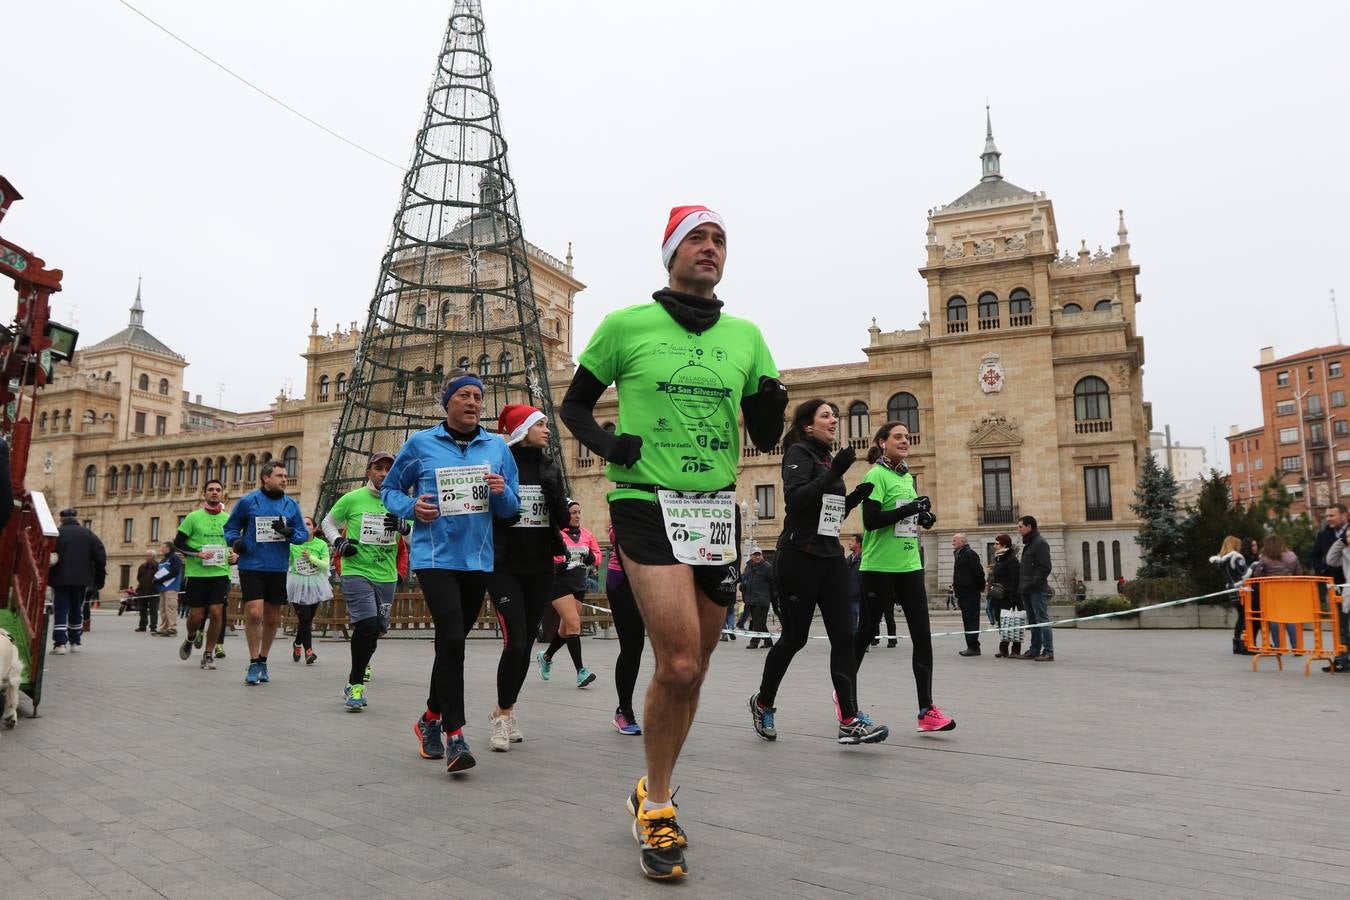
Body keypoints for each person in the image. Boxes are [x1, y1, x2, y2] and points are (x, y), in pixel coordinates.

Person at [559, 204, 785, 880]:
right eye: (697, 238)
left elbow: (767, 438)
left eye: (720, 239)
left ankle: (650, 784)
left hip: (713, 511)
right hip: (643, 504)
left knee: (696, 668)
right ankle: (657, 806)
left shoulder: (747, 336)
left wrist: (771, 402)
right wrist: (606, 443)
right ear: (670, 252)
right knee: (679, 663)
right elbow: (573, 406)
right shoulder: (625, 326)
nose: (710, 248)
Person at [382, 372, 519, 775]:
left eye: (478, 396)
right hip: (434, 557)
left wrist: (501, 492)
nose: (473, 402)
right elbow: (391, 490)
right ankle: (455, 736)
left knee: (449, 643)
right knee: (455, 637)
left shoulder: (497, 447)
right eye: (464, 395)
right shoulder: (421, 444)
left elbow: (511, 510)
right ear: (448, 402)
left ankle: (429, 718)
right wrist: (412, 509)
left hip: (477, 559)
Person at [748, 399, 886, 745]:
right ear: (808, 425)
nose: (834, 420)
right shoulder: (799, 453)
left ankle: (850, 718)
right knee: (795, 638)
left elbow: (828, 513)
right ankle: (763, 702)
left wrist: (853, 498)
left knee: (845, 637)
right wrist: (835, 472)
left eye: (835, 415)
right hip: (798, 556)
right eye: (826, 415)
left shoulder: (825, 458)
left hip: (830, 557)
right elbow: (796, 502)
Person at [855, 421, 953, 734]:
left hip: (910, 565)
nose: (904, 440)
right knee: (865, 634)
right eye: (897, 436)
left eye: (907, 437)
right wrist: (908, 508)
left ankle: (926, 710)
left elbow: (903, 516)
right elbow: (870, 521)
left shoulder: (907, 476)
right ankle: (845, 698)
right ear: (882, 442)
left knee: (922, 637)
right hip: (879, 567)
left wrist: (922, 515)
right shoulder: (875, 475)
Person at [483, 405, 569, 750]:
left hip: (540, 566)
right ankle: (502, 719)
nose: (547, 429)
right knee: (516, 641)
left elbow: (562, 519)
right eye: (541, 424)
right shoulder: (501, 464)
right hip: (503, 566)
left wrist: (554, 497)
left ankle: (506, 708)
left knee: (527, 643)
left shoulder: (550, 468)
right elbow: (489, 514)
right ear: (523, 429)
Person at [323, 452, 406, 711]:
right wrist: (339, 542)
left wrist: (404, 526)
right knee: (367, 624)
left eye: (388, 469)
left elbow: (416, 536)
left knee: (376, 629)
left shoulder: (402, 500)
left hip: (386, 574)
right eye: (378, 468)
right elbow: (328, 522)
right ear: (369, 471)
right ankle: (355, 684)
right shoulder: (353, 499)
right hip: (356, 570)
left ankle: (358, 673)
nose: (383, 473)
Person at [224, 460, 309, 685]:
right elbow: (230, 528)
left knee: (272, 618)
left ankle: (263, 660)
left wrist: (290, 532)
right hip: (251, 565)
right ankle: (253, 662)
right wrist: (236, 542)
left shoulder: (291, 504)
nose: (284, 479)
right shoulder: (248, 501)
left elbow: (302, 535)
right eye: (279, 476)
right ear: (266, 478)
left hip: (278, 566)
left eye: (285, 475)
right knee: (253, 613)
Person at [174, 480, 238, 668]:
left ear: (222, 494)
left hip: (220, 573)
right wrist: (197, 553)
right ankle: (190, 638)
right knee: (196, 616)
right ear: (204, 494)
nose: (214, 493)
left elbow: (238, 543)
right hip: (197, 574)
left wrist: (236, 556)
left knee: (217, 613)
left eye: (218, 490)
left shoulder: (228, 519)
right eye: (211, 490)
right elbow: (178, 543)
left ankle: (208, 654)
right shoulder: (193, 517)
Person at [536, 501, 601, 687]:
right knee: (574, 625)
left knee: (565, 630)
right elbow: (541, 557)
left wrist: (592, 558)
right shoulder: (555, 534)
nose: (578, 516)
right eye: (573, 512)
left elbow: (598, 556)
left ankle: (546, 657)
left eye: (579, 512)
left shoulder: (587, 534)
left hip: (578, 585)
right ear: (565, 514)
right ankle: (581, 671)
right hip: (558, 584)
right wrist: (555, 566)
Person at [48, 509, 106, 654]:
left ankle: (60, 644)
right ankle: (75, 642)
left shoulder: (56, 534)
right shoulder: (88, 534)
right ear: (76, 518)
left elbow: (46, 555)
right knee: (76, 609)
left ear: (61, 520)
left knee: (61, 609)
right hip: (82, 579)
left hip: (60, 579)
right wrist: (99, 580)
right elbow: (100, 557)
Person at [607, 525, 646, 735]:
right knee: (632, 646)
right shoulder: (628, 494)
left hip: (663, 576)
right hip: (624, 578)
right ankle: (624, 710)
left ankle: (667, 710)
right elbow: (614, 534)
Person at [287, 516, 332, 671]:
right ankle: (309, 651)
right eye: (302, 524)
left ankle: (297, 643)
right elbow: (286, 562)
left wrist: (310, 557)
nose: (305, 526)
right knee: (304, 618)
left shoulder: (321, 544)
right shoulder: (292, 544)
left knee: (307, 620)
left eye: (308, 524)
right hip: (297, 584)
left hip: (315, 584)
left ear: (314, 528)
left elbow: (326, 565)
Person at [1248, 534, 1301, 649]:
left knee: (1274, 619)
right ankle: (1297, 647)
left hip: (1271, 592)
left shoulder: (1265, 558)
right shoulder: (1292, 556)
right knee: (1290, 618)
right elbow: (1298, 573)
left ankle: (1279, 647)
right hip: (1289, 591)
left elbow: (1257, 574)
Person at [1017, 515, 1054, 661]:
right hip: (1026, 589)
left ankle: (1048, 651)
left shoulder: (1040, 543)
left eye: (1020, 527)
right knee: (1032, 621)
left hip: (1037, 590)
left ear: (1029, 527)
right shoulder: (1029, 544)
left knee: (1042, 620)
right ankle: (1034, 649)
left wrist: (1033, 583)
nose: (1019, 530)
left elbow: (1046, 567)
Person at [1210, 535, 1252, 654]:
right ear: (1234, 545)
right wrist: (1253, 567)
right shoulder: (1237, 557)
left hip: (1232, 591)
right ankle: (1245, 644)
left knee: (1241, 616)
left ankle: (1237, 644)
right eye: (1239, 545)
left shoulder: (1223, 560)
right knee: (1245, 617)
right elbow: (1245, 574)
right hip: (1242, 590)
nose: (1240, 547)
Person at [951, 533, 986, 657]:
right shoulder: (960, 554)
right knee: (967, 620)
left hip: (970, 593)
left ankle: (973, 647)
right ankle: (971, 646)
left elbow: (979, 572)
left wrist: (979, 587)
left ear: (963, 541)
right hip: (963, 593)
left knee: (971, 620)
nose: (953, 542)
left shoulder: (969, 554)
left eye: (955, 540)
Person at [989, 534, 1023, 657]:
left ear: (1004, 545)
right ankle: (1003, 649)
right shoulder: (999, 558)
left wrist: (1014, 597)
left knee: (1013, 621)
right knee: (1002, 621)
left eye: (997, 543)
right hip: (1000, 596)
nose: (994, 546)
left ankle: (1015, 650)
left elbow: (1015, 579)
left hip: (1010, 596)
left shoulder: (1011, 559)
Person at [740, 549, 776, 649]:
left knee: (757, 623)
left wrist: (772, 596)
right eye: (755, 555)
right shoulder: (749, 566)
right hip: (750, 598)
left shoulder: (767, 567)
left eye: (759, 555)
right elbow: (744, 577)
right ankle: (768, 641)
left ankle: (754, 642)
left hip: (762, 599)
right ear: (751, 556)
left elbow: (773, 582)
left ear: (762, 555)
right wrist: (743, 585)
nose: (757, 557)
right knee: (760, 623)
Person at [154, 542, 183, 636]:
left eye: (162, 547)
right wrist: (155, 580)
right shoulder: (163, 560)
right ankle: (164, 627)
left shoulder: (175, 558)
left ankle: (172, 628)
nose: (161, 549)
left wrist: (160, 579)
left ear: (168, 548)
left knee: (171, 607)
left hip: (171, 587)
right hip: (162, 588)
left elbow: (175, 572)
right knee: (162, 608)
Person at [134, 551, 159, 634]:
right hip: (142, 591)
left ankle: (153, 627)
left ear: (153, 557)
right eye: (146, 555)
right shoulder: (142, 566)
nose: (147, 557)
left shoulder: (158, 566)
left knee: (153, 610)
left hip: (153, 591)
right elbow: (139, 578)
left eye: (149, 556)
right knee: (142, 610)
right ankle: (142, 626)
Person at [846, 534, 863, 631]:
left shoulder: (864, 558)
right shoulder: (849, 558)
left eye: (852, 541)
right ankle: (853, 643)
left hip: (860, 596)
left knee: (861, 622)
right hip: (850, 595)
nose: (849, 543)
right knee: (851, 623)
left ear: (858, 544)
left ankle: (862, 643)